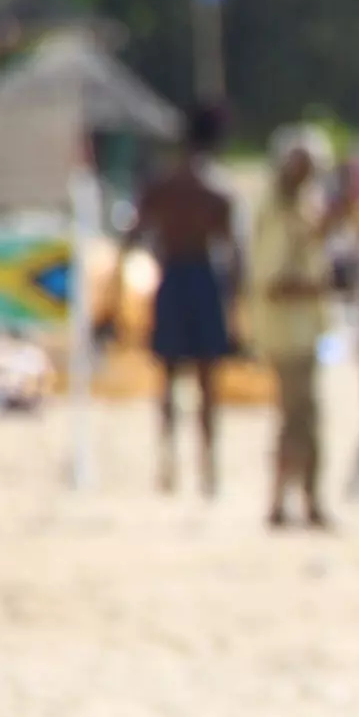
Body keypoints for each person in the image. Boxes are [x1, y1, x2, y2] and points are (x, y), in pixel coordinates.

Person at [120, 104, 239, 496]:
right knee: (207, 381)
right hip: (203, 278)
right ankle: (209, 466)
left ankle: (167, 461)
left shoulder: (162, 184)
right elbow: (234, 251)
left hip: (171, 274)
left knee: (168, 378)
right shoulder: (216, 190)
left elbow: (133, 233)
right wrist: (236, 304)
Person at [248, 125, 341, 529]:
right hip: (287, 332)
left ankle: (299, 502)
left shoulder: (301, 206)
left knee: (303, 419)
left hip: (306, 330)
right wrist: (315, 286)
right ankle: (293, 503)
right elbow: (272, 283)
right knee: (299, 420)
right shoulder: (274, 210)